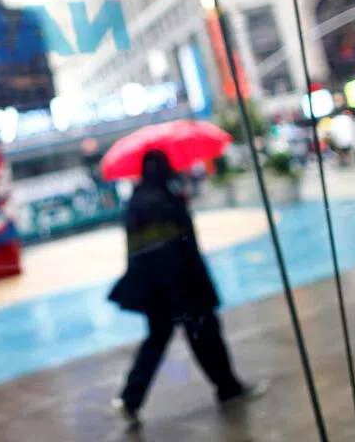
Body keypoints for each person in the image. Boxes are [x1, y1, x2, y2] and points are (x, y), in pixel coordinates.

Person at [108, 150, 264, 429]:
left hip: (154, 289)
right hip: (182, 286)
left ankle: (130, 399)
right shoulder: (163, 201)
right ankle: (227, 387)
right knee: (205, 335)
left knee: (156, 340)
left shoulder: (138, 201)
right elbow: (176, 248)